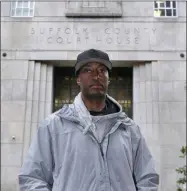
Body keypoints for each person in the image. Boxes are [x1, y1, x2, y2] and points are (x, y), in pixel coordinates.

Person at [19, 49, 159, 191]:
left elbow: (147, 179)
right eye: (87, 70)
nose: (96, 76)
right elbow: (32, 179)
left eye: (102, 70)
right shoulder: (53, 126)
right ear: (78, 79)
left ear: (108, 79)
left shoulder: (129, 128)